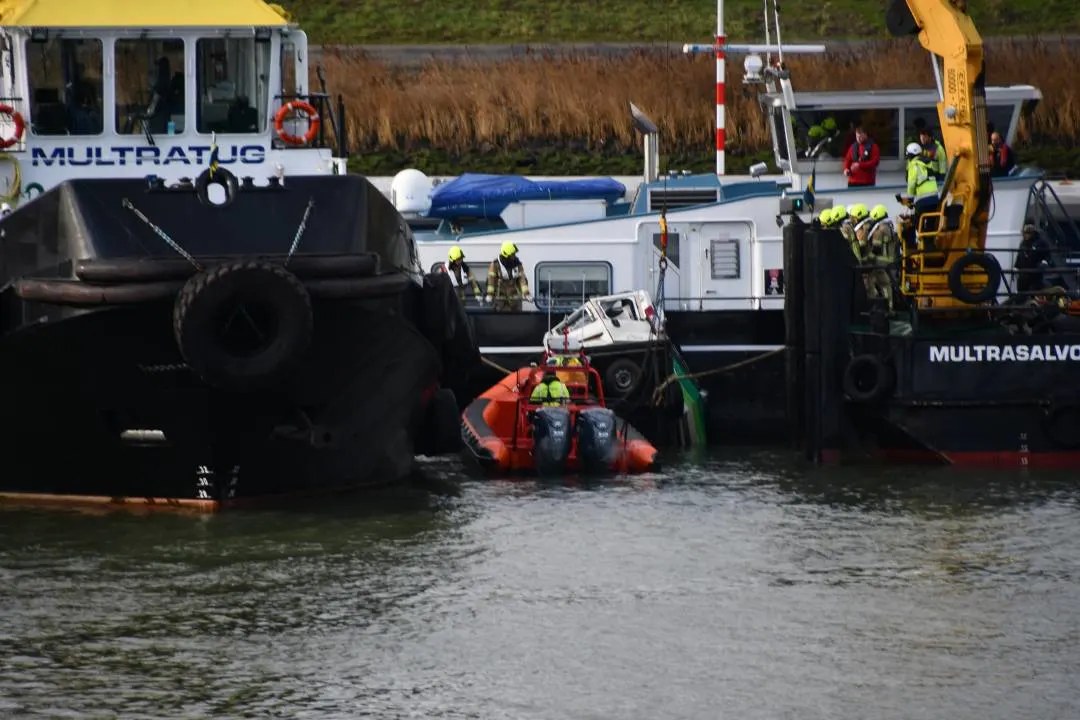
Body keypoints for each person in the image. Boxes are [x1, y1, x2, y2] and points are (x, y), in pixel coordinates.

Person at [866, 204, 899, 310]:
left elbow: (876, 248)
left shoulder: (879, 230)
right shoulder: (889, 226)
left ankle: (882, 307)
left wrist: (867, 258)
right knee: (888, 284)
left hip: (881, 262)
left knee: (877, 283)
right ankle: (890, 307)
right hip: (891, 260)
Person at [486, 240, 532, 311]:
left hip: (515, 299)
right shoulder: (495, 265)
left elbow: (522, 279)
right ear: (506, 255)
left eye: (514, 254)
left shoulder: (518, 264)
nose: (514, 256)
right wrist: (490, 294)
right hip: (501, 299)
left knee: (517, 319)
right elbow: (491, 281)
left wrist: (526, 293)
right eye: (512, 254)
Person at [1015, 223, 1051, 294]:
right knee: (1021, 291)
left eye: (1028, 233)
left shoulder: (1040, 243)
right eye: (1024, 233)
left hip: (1035, 273)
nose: (1026, 235)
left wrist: (1044, 261)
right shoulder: (1023, 244)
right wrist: (1016, 266)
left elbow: (1047, 253)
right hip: (1023, 273)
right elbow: (1020, 255)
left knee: (1033, 291)